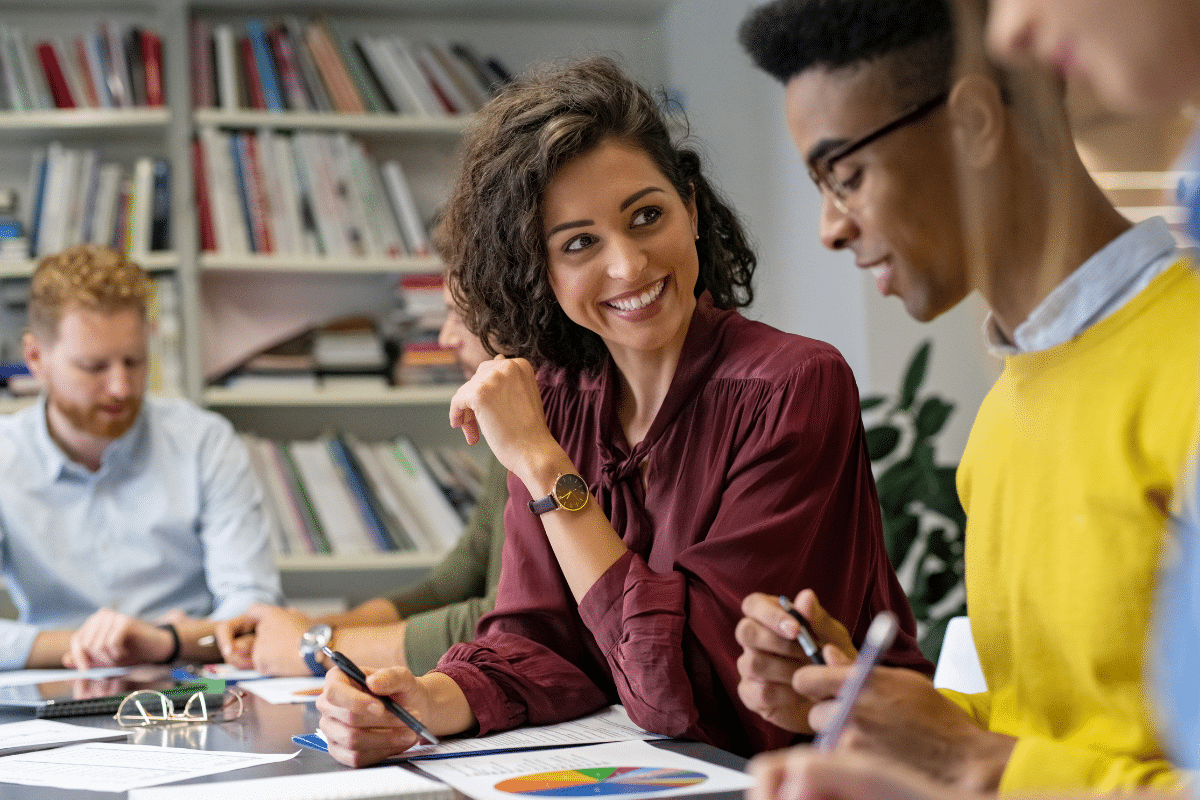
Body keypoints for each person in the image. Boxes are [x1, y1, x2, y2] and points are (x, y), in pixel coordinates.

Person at [314, 54, 931, 768]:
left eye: (646, 216)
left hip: (828, 776)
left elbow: (685, 690)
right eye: (579, 243)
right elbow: (538, 642)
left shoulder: (793, 386)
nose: (630, 266)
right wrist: (429, 702)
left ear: (691, 210)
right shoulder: (560, 398)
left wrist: (545, 467)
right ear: (538, 270)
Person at [735, 0, 1200, 793]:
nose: (829, 228)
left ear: (975, 123)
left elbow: (996, 763)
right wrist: (877, 707)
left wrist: (977, 765)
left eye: (844, 176)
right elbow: (1005, 721)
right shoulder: (1001, 422)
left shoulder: (1184, 370)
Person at [0, 244, 281, 671]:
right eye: (93, 366)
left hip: (190, 682)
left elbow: (254, 612)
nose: (120, 387)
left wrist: (163, 642)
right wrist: (90, 644)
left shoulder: (204, 442)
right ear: (37, 358)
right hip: (53, 684)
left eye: (133, 362)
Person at [213, 286, 508, 679]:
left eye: (461, 314)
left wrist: (317, 646)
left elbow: (504, 622)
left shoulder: (537, 429)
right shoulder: (508, 425)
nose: (445, 338)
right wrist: (320, 627)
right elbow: (457, 577)